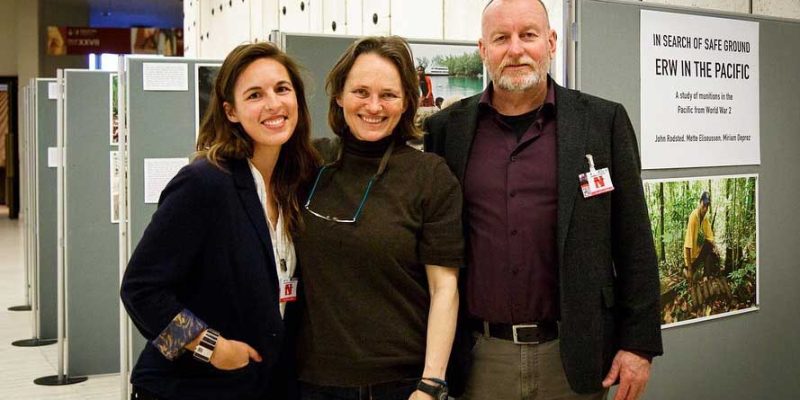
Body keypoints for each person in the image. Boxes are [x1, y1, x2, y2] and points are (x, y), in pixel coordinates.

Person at [424, 1, 663, 399]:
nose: (515, 49)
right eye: (501, 38)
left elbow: (634, 240)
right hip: (480, 358)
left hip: (576, 355)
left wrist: (639, 343)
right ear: (483, 49)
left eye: (528, 35)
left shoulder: (602, 123)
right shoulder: (446, 131)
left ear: (551, 42)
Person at [120, 42, 320, 400]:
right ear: (231, 111)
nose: (273, 104)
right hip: (190, 386)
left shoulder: (298, 184)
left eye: (282, 89)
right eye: (255, 95)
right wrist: (208, 345)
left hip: (261, 384)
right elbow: (140, 291)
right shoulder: (205, 183)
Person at [294, 36, 463, 400]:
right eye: (361, 92)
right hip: (312, 381)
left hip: (399, 384)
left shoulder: (430, 177)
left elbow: (443, 288)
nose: (374, 106)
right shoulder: (311, 165)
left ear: (406, 103)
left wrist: (431, 383)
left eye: (388, 94)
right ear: (339, 96)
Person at [684, 191, 720, 283]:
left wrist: (716, 249)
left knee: (710, 248)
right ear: (700, 203)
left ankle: (706, 276)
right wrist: (689, 269)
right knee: (693, 277)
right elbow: (687, 246)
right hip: (691, 260)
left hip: (698, 255)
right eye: (704, 205)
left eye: (707, 206)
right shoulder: (694, 217)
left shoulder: (704, 219)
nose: (705, 209)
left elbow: (710, 238)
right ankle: (686, 269)